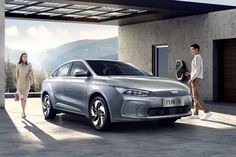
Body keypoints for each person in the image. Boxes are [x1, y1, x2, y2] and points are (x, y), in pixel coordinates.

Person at [185, 44, 212, 120]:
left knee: (196, 95)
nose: (191, 51)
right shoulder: (197, 57)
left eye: (192, 49)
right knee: (195, 96)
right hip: (196, 77)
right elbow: (196, 70)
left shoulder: (197, 57)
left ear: (197, 49)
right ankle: (196, 114)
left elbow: (197, 70)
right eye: (191, 49)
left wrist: (191, 79)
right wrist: (190, 73)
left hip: (196, 79)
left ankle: (207, 112)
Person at [15, 53, 33, 118]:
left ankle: (23, 111)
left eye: (26, 57)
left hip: (27, 84)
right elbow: (16, 75)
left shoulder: (29, 65)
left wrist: (31, 80)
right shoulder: (18, 65)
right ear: (21, 58)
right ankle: (23, 112)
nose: (25, 58)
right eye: (23, 57)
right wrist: (17, 84)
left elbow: (31, 73)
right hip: (20, 83)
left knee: (25, 99)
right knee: (22, 98)